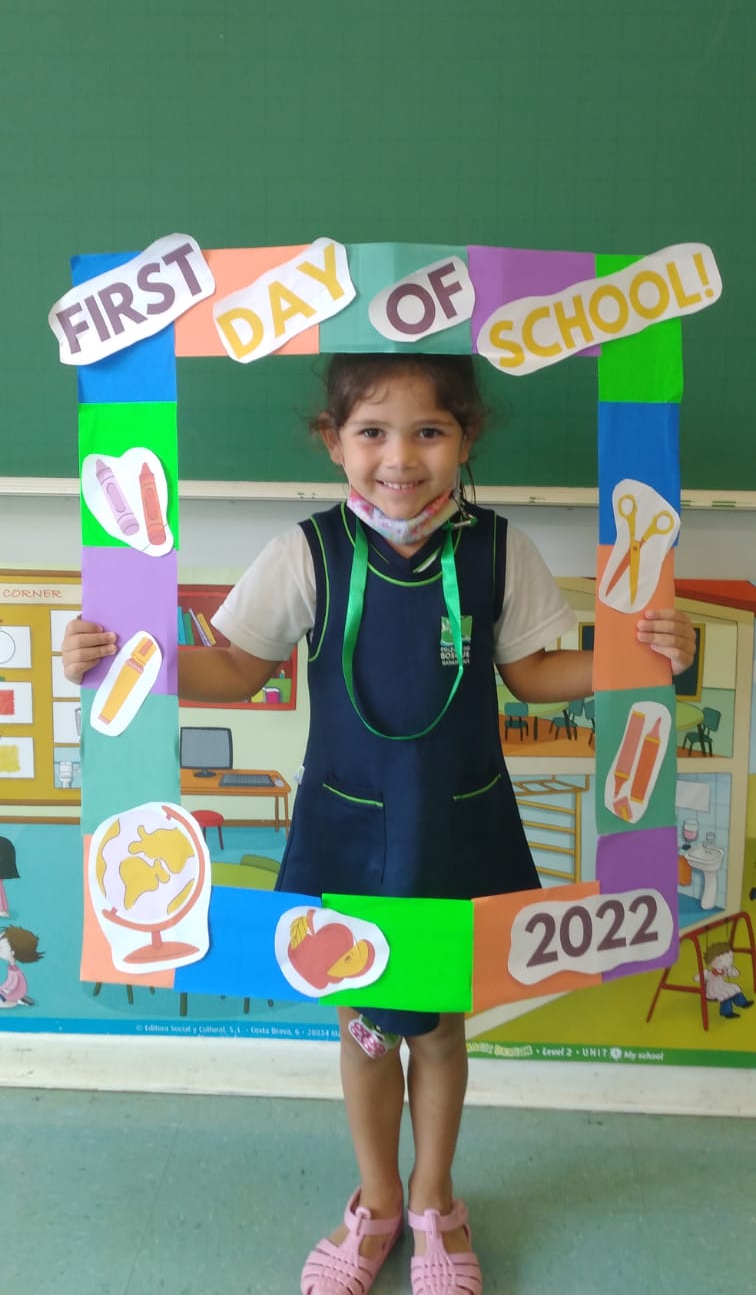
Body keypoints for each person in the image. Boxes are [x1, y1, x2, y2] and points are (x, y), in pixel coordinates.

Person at [62, 353, 696, 1295]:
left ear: (466, 438)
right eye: (372, 432)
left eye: (430, 431)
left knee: (436, 1026)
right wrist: (121, 660)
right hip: (349, 830)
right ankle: (377, 1204)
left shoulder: (496, 550)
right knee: (363, 1023)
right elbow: (234, 670)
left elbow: (534, 676)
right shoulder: (305, 551)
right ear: (333, 441)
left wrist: (643, 661)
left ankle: (437, 1202)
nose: (400, 458)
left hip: (457, 826)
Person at [0, 925, 43, 1007]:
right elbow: (9, 982)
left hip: (16, 992)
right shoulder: (12, 967)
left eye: (0, 948)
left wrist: (5, 990)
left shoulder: (15, 970)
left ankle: (14, 1002)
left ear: (12, 952)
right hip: (12, 991)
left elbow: (14, 982)